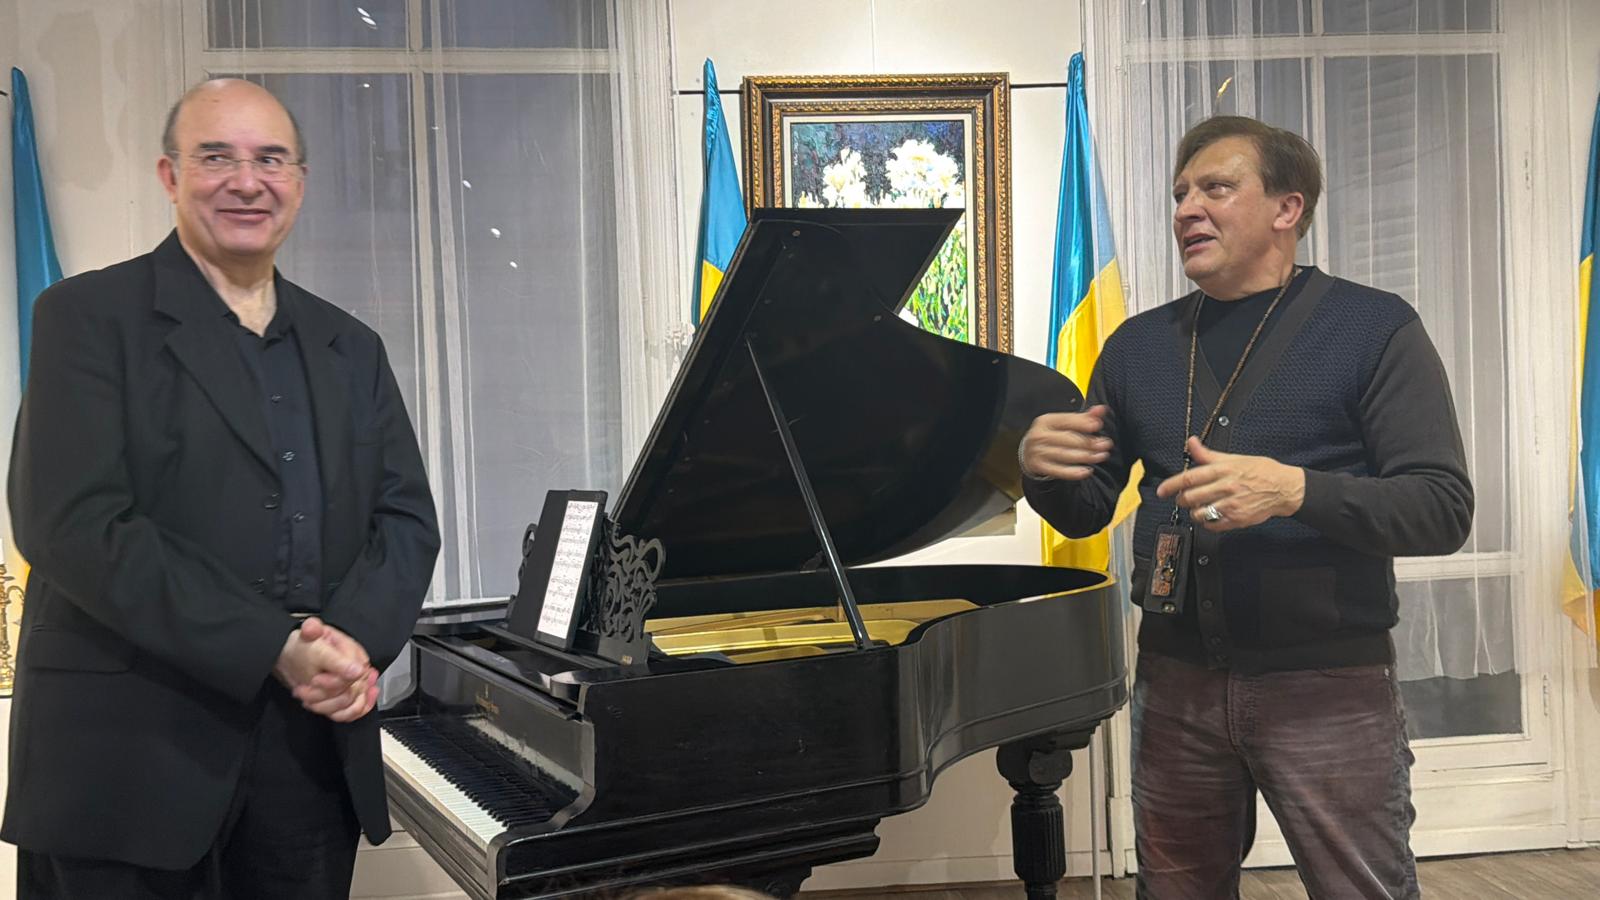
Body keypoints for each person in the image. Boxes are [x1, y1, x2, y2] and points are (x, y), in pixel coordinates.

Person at [3, 78, 440, 899]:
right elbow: (70, 525)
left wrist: (348, 648)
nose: (247, 181)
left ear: (300, 183)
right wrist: (272, 647)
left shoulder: (353, 345)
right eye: (216, 157)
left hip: (307, 771)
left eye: (271, 159)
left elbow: (406, 520)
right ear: (170, 175)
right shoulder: (84, 317)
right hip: (125, 771)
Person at [1021, 116, 1473, 899]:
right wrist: (1041, 470)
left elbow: (1441, 507)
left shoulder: (1375, 328)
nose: (1187, 208)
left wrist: (1295, 489)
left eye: (1216, 188)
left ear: (1287, 208)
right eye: (1180, 194)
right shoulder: (1134, 347)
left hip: (1328, 688)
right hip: (1174, 687)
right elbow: (1087, 508)